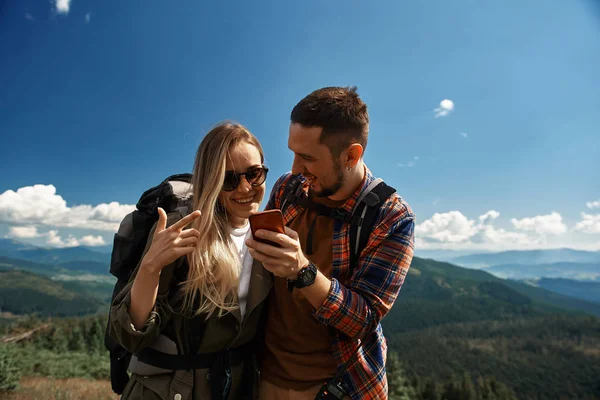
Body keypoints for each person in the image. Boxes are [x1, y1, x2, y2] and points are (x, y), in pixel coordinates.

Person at [246, 87, 415, 400]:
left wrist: (302, 271)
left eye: (308, 158)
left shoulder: (390, 216)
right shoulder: (288, 188)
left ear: (351, 155)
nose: (295, 169)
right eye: (293, 153)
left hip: (337, 388)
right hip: (263, 376)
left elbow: (362, 320)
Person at [108, 122, 272, 400]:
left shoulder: (268, 233)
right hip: (172, 390)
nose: (246, 187)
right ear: (212, 180)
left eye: (254, 174)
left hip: (237, 388)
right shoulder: (182, 228)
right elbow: (131, 335)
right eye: (230, 179)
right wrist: (150, 267)